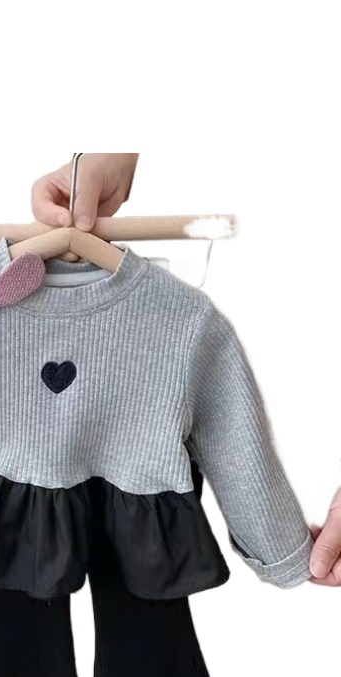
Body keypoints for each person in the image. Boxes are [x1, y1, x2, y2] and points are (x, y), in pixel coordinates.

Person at [30, 154, 341, 588]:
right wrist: (283, 552)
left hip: (124, 521)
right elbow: (230, 432)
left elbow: (231, 430)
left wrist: (281, 548)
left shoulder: (184, 318)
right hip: (46, 526)